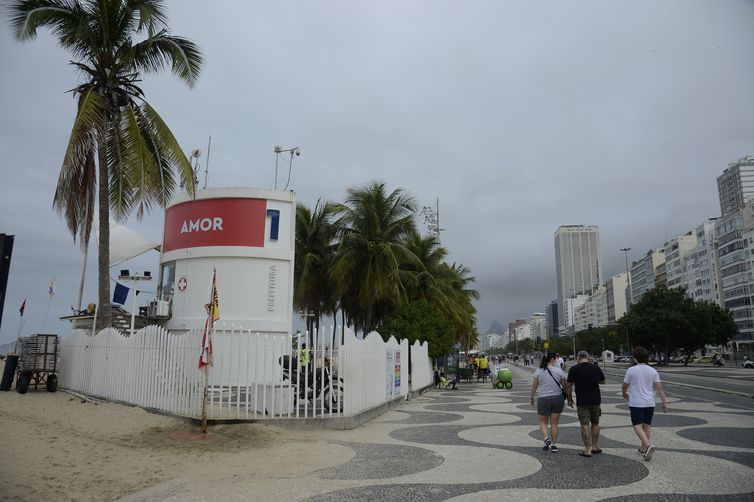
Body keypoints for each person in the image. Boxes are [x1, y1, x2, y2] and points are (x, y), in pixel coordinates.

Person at [622, 346, 669, 461]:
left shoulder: (631, 370)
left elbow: (625, 385)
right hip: (649, 403)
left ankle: (648, 446)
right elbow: (660, 388)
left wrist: (624, 393)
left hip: (636, 403)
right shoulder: (652, 371)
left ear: (635, 358)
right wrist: (664, 402)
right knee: (647, 425)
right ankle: (643, 449)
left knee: (637, 425)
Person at [566, 350, 606, 457]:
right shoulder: (595, 368)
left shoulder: (574, 369)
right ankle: (595, 446)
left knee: (584, 424)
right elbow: (603, 381)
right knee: (595, 423)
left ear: (578, 358)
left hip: (582, 401)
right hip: (596, 400)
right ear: (588, 357)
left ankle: (587, 449)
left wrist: (569, 398)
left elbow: (569, 385)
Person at [530, 352, 571, 452]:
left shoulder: (538, 371)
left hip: (543, 398)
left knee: (543, 422)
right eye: (556, 358)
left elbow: (534, 386)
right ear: (552, 359)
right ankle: (554, 445)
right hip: (557, 398)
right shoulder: (559, 371)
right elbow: (565, 386)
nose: (557, 360)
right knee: (554, 423)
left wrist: (531, 397)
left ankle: (545, 438)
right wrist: (569, 398)